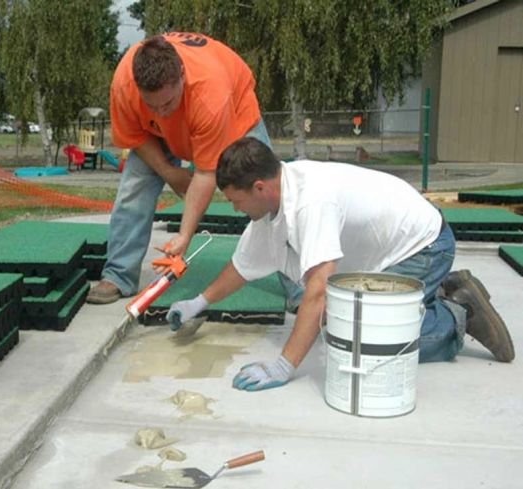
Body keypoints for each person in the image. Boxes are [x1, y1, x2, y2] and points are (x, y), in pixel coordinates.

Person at [167, 137, 515, 392]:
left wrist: (283, 366)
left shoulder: (310, 202)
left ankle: (458, 315)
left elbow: (318, 292)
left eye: (236, 200)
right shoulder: (274, 203)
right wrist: (198, 303)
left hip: (422, 247)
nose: (234, 208)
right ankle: (436, 292)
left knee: (357, 341)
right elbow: (242, 266)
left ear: (260, 187)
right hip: (389, 250)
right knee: (334, 322)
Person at [86, 32, 271, 304]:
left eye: (168, 103)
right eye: (151, 104)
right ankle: (118, 275)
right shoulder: (124, 84)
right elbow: (136, 137)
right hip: (158, 134)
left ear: (182, 75)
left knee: (265, 192)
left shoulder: (211, 94)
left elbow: (206, 173)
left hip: (235, 113)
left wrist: (184, 236)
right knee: (132, 192)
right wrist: (170, 172)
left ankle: (299, 288)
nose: (161, 112)